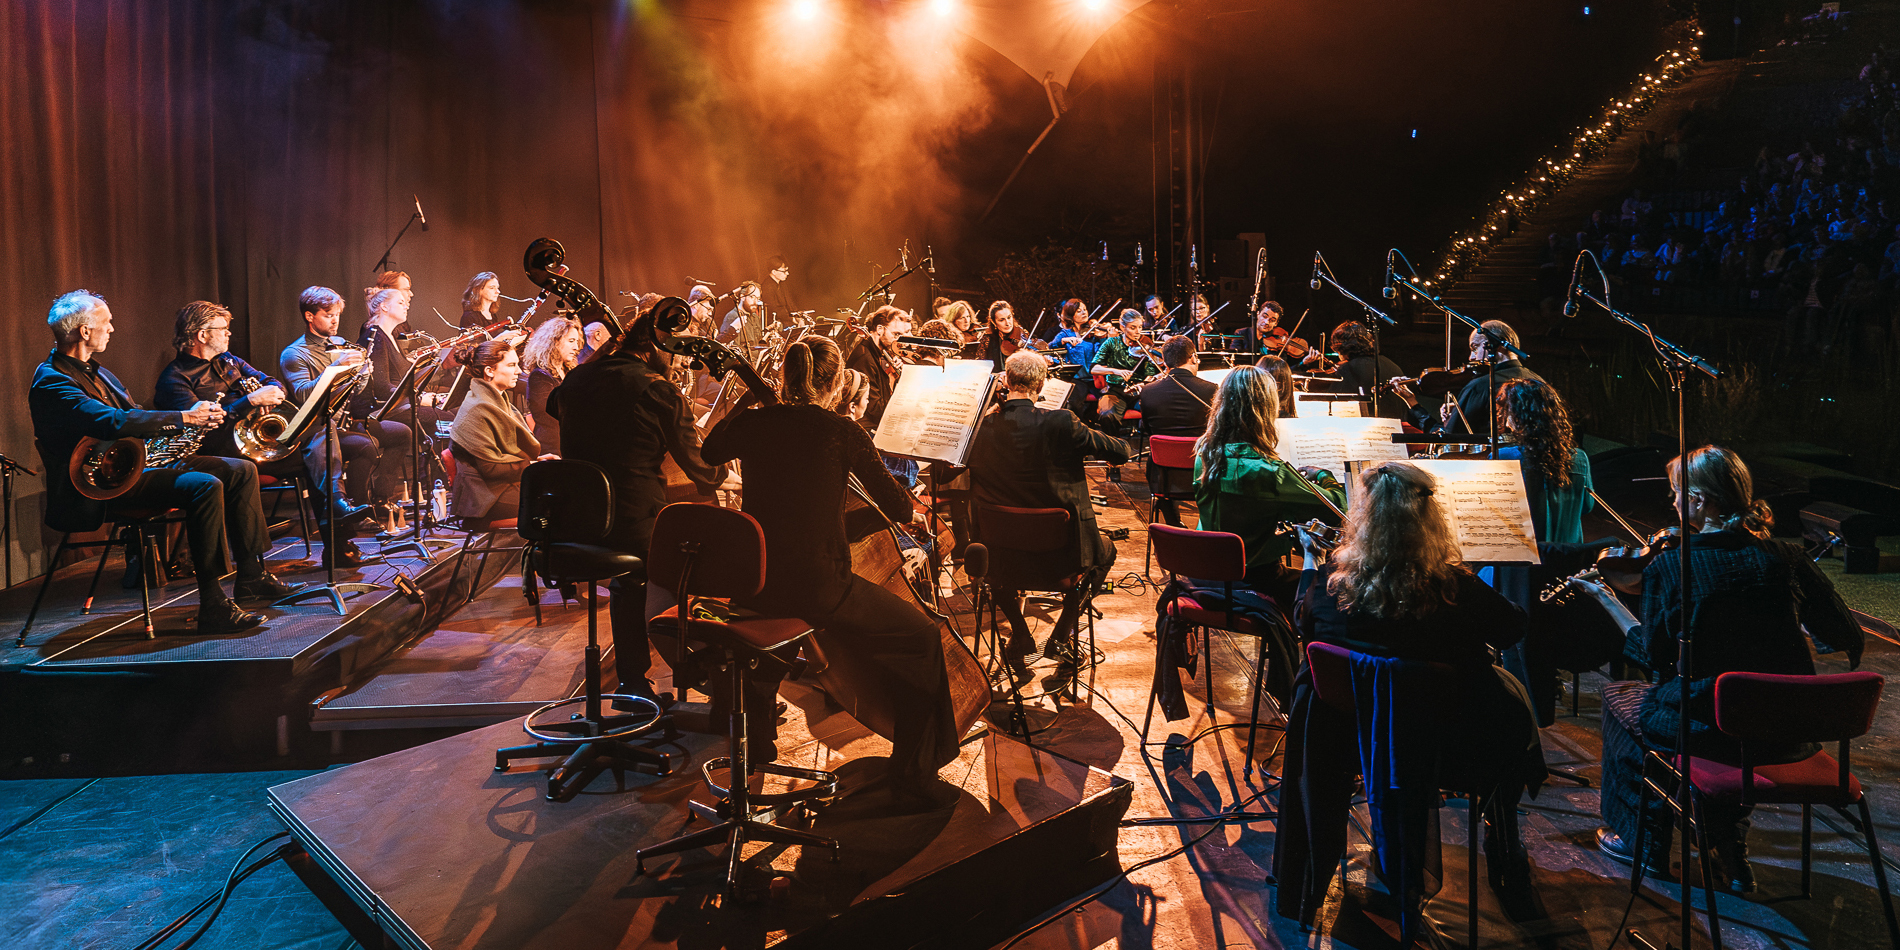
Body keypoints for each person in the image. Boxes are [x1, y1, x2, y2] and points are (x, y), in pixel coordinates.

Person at [1569, 446, 1862, 891]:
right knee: (1734, 716)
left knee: (1626, 699)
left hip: (1708, 729)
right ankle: (1728, 846)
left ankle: (1640, 842)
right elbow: (1846, 638)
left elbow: (1654, 658)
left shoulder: (1672, 566)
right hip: (1790, 733)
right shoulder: (1789, 558)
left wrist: (1607, 601)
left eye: (1675, 493)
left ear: (1700, 501)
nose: (1671, 503)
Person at [1280, 461, 1547, 920]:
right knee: (1512, 704)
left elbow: (1305, 627)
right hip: (1448, 746)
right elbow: (1511, 629)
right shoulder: (1453, 588)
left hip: (1348, 741)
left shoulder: (1331, 585)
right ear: (1430, 521)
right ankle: (1505, 845)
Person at [702, 336, 959, 801]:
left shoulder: (757, 423)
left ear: (784, 375)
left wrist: (749, 393)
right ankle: (914, 771)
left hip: (755, 579)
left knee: (786, 625)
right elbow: (900, 507)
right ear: (838, 382)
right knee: (920, 637)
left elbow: (710, 451)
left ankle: (757, 734)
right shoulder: (842, 432)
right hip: (816, 585)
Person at [29, 291, 297, 633]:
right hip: (99, 485)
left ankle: (251, 576)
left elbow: (131, 414)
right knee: (205, 486)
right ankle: (213, 604)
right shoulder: (52, 379)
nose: (111, 328)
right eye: (106, 322)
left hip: (130, 468)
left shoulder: (99, 373)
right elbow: (110, 421)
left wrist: (181, 425)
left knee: (241, 469)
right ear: (84, 331)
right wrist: (185, 417)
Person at [547, 313, 727, 702]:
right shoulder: (657, 389)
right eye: (675, 353)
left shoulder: (575, 379)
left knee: (630, 577)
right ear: (654, 347)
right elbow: (703, 470)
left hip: (574, 521)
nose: (679, 362)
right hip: (631, 521)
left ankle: (632, 680)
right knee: (698, 561)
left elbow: (552, 404)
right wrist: (724, 466)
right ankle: (704, 674)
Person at [155, 300, 370, 564]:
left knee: (319, 439)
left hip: (258, 444)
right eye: (222, 328)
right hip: (222, 451)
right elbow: (202, 428)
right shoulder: (175, 378)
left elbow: (271, 381)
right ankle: (333, 524)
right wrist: (250, 401)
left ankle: (336, 532)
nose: (228, 333)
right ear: (202, 335)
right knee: (318, 458)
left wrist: (271, 393)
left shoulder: (228, 360)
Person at [968, 351, 1130, 678]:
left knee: (994, 566)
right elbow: (1121, 452)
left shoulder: (981, 428)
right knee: (1106, 551)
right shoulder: (1060, 422)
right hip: (1064, 558)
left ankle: (1021, 634)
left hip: (1002, 558)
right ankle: (1060, 637)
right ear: (1041, 385)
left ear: (1005, 382)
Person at [1492, 377, 1614, 724]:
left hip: (1520, 579)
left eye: (1505, 411)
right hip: (1567, 574)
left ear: (1515, 415)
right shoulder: (1579, 458)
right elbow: (1587, 510)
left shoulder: (1504, 456)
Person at [1193, 366, 1345, 607]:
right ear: (1266, 409)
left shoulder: (1205, 453)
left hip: (1203, 571)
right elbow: (1338, 507)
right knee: (1334, 592)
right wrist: (1324, 475)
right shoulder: (1271, 472)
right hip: (1252, 580)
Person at [280, 286, 385, 544]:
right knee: (326, 439)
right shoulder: (295, 353)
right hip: (307, 429)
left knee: (367, 445)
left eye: (337, 314)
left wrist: (362, 374)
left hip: (332, 426)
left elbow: (354, 392)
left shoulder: (338, 344)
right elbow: (304, 395)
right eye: (328, 314)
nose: (335, 320)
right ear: (309, 316)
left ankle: (353, 507)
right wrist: (335, 368)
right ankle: (338, 509)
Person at [448, 340, 550, 524]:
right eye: (512, 365)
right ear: (489, 371)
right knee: (558, 500)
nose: (519, 371)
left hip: (498, 488)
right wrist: (533, 465)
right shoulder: (477, 408)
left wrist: (537, 463)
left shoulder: (496, 400)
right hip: (484, 498)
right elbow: (491, 469)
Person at [1393, 319, 1540, 438]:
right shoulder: (1538, 381)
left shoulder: (1480, 386)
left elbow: (1448, 438)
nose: (1471, 357)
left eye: (1475, 347)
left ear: (1497, 344)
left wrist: (1413, 404)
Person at [352, 289, 422, 508]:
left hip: (393, 405)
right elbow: (382, 388)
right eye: (400, 302)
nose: (406, 305)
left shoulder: (388, 335)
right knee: (433, 418)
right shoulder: (376, 335)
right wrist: (417, 399)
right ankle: (432, 488)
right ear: (383, 307)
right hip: (377, 410)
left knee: (438, 416)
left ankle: (426, 491)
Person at [1136, 337, 1217, 526]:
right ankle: (1207, 528)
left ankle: (1173, 523)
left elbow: (1148, 430)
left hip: (1163, 478)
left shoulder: (1148, 392)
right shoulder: (1211, 390)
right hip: (1203, 473)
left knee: (1155, 453)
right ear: (1193, 357)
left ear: (1164, 362)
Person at [519, 316, 583, 456]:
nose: (576, 348)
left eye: (577, 342)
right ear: (554, 341)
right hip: (552, 448)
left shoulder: (569, 372)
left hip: (571, 443)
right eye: (571, 341)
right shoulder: (539, 376)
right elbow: (553, 415)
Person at [1088, 308, 1154, 440]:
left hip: (1139, 391)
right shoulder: (1111, 343)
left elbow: (1151, 372)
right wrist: (1115, 371)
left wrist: (1144, 383)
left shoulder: (1145, 344)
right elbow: (1094, 368)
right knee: (1107, 415)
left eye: (1140, 327)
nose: (1137, 332)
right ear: (1122, 327)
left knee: (1156, 411)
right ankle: (1115, 451)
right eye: (1133, 327)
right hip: (1116, 391)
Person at [845, 305, 910, 430]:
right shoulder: (865, 358)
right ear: (880, 329)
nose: (899, 341)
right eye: (896, 334)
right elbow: (875, 410)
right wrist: (893, 379)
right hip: (865, 426)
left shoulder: (880, 352)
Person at [1328, 321, 1403, 417]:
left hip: (1372, 426)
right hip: (1399, 426)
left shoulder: (1349, 368)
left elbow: (1333, 404)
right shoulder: (1391, 364)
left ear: (1342, 348)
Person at [978, 299, 1036, 371]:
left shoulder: (1021, 333)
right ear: (994, 322)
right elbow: (980, 366)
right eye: (1001, 320)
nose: (1007, 323)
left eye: (1009, 317)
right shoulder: (988, 338)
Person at [718, 280, 769, 351]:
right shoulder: (732, 316)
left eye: (757, 298)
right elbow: (733, 349)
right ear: (742, 297)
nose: (755, 302)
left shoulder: (755, 317)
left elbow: (757, 345)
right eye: (752, 297)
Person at [1047, 298, 1099, 367]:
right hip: (1074, 375)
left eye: (1085, 309)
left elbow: (1101, 353)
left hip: (1092, 375)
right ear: (1071, 315)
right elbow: (1050, 347)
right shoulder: (1066, 333)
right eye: (1079, 311)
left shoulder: (1093, 334)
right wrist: (1063, 340)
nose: (1084, 313)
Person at [762, 255, 796, 323]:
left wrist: (798, 316)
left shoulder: (782, 284)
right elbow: (774, 309)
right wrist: (792, 319)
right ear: (774, 272)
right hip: (775, 323)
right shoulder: (767, 287)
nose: (787, 273)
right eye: (784, 271)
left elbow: (790, 303)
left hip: (787, 320)